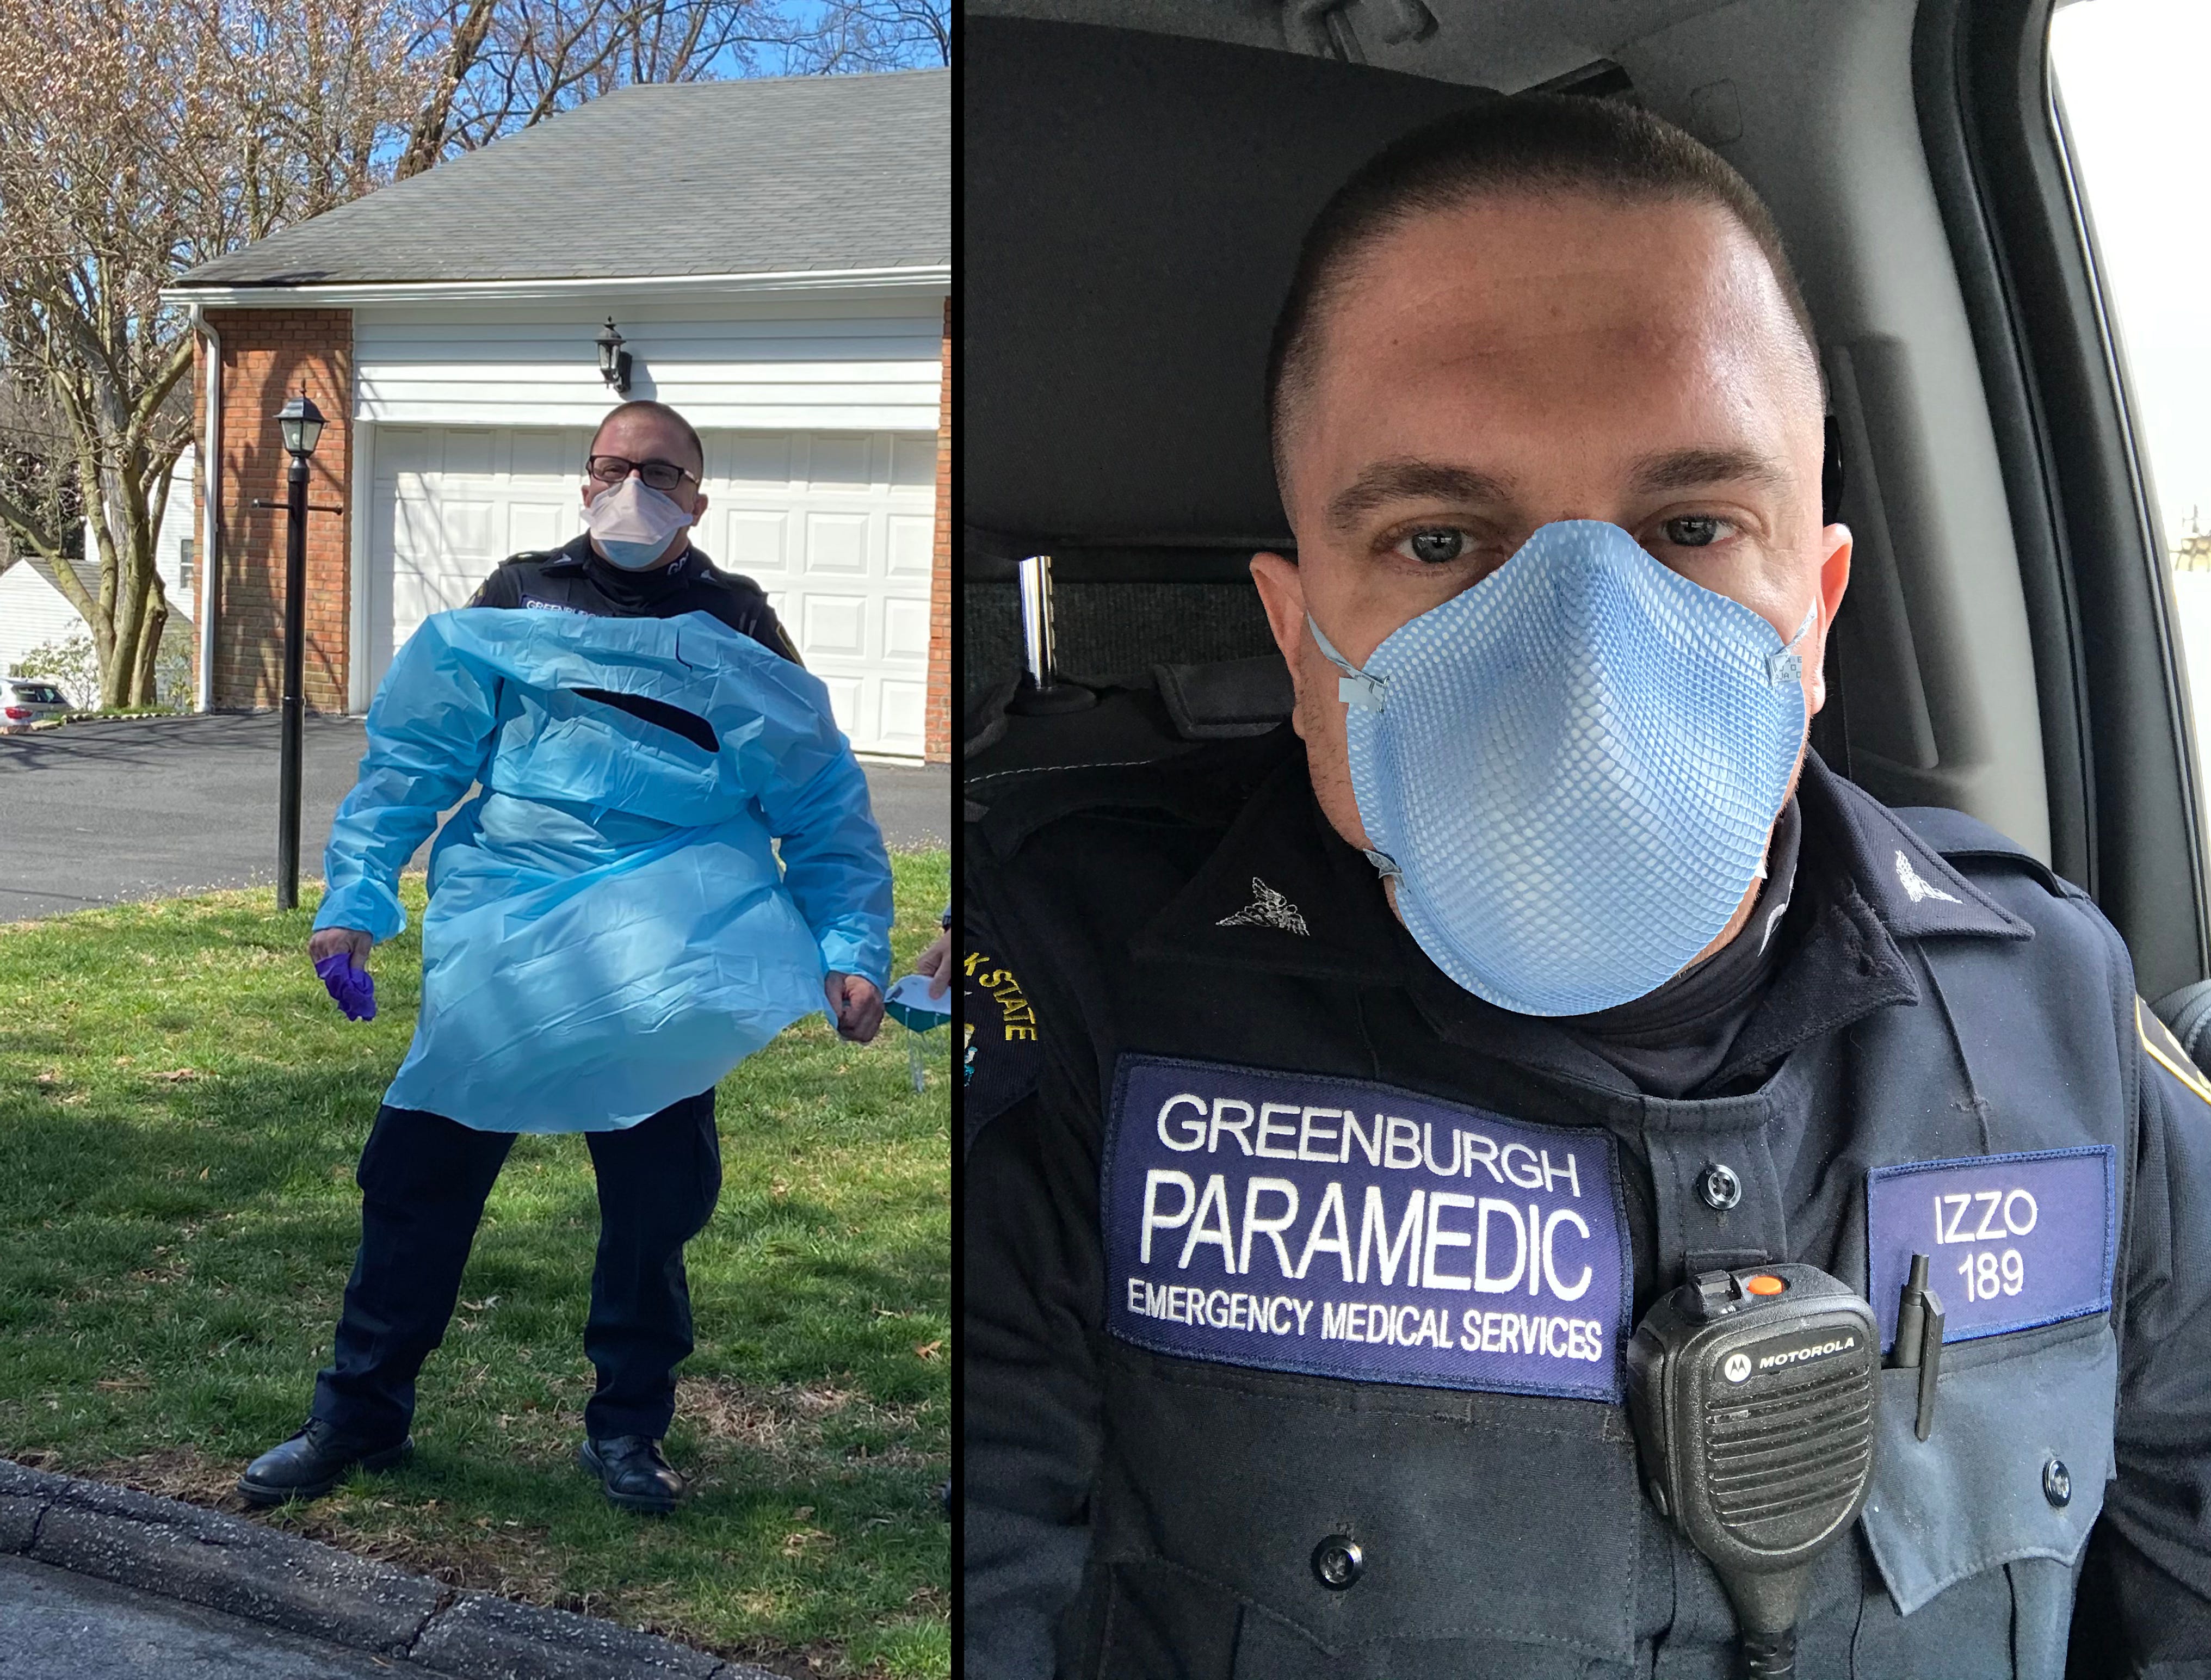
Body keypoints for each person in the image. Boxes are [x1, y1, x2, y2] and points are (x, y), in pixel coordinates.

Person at [962, 97, 2211, 1677]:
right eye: (1438, 541)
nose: (1578, 663)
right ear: (1298, 640)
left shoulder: (2057, 1005)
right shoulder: (1080, 1008)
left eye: (1690, 527)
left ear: (1812, 617)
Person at [243, 399, 893, 1516]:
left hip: (662, 956)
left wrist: (850, 944)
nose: (628, 487)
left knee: (653, 1205)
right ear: (582, 479)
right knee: (416, 1181)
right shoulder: (519, 594)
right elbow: (416, 756)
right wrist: (355, 894)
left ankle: (627, 1431)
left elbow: (818, 799)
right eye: (607, 466)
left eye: (656, 470)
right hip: (511, 939)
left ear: (699, 492)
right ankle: (356, 1414)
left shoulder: (737, 621)